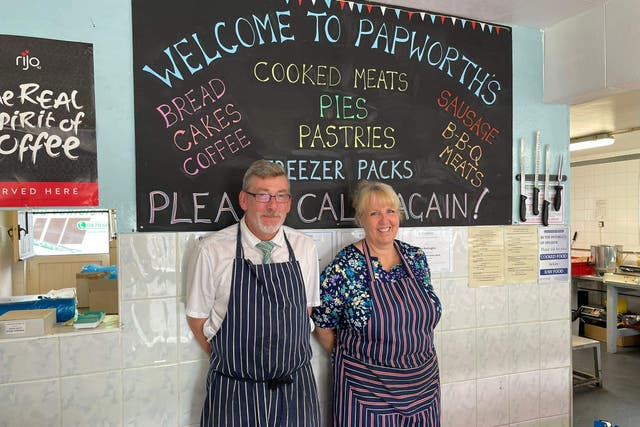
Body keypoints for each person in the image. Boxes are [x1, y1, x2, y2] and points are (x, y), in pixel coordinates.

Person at [186, 159, 321, 427]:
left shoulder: (304, 247)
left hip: (296, 391)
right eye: (263, 196)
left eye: (281, 196)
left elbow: (306, 310)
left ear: (289, 203)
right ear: (244, 200)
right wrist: (236, 365)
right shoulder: (212, 250)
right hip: (235, 393)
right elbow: (197, 319)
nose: (273, 206)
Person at [312, 180, 442, 426]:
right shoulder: (345, 265)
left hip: (423, 388)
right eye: (374, 213)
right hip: (366, 395)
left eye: (390, 211)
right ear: (361, 219)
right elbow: (322, 325)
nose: (384, 221)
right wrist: (356, 364)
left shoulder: (416, 258)